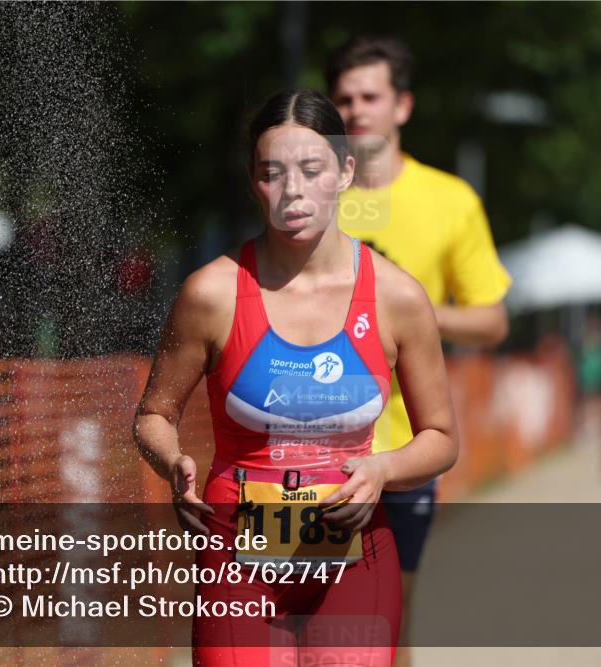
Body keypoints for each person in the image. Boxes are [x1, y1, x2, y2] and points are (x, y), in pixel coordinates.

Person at [134, 89, 457, 667]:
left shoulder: (397, 297)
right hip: (238, 557)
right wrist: (172, 464)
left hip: (357, 559)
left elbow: (441, 438)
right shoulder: (210, 294)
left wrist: (382, 469)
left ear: (345, 171)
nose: (293, 191)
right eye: (271, 173)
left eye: (312, 169)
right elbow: (153, 415)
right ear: (253, 182)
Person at [325, 35, 511, 665]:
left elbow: (492, 321)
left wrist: (412, 310)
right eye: (344, 98)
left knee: (388, 621)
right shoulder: (308, 195)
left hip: (402, 449)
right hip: (303, 440)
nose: (356, 110)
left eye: (370, 96)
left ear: (402, 106)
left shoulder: (450, 200)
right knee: (299, 617)